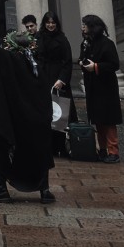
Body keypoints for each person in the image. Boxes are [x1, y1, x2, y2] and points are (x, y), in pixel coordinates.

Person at [0, 8, 55, 204]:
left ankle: (0, 188)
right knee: (41, 149)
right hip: (38, 120)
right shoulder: (35, 63)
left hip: (15, 120)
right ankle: (45, 190)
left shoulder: (11, 60)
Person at [80, 14, 122, 163]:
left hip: (106, 86)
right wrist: (82, 63)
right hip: (93, 86)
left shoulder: (107, 44)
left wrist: (96, 66)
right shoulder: (86, 43)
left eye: (85, 25)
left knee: (109, 119)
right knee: (98, 118)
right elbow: (83, 58)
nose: (82, 27)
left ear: (92, 27)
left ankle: (113, 152)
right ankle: (102, 149)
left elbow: (114, 64)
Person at [36, 10, 77, 156]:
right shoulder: (39, 37)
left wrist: (62, 79)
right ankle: (46, 145)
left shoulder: (62, 39)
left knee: (60, 113)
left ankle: (60, 146)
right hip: (43, 76)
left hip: (57, 78)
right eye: (48, 22)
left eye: (53, 22)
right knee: (44, 112)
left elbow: (67, 61)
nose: (50, 25)